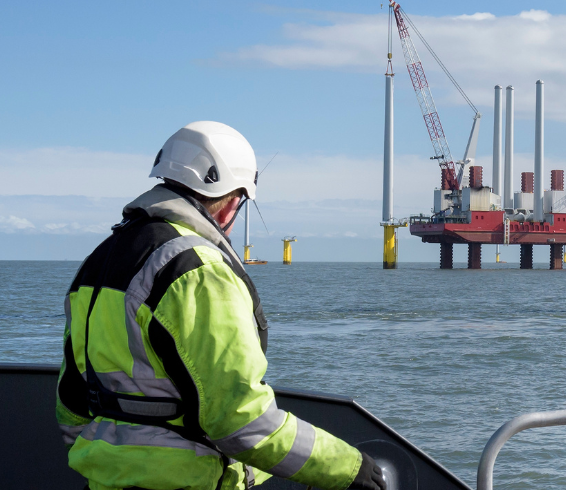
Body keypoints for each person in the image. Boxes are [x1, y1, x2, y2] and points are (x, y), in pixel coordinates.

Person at [55, 121, 387, 490]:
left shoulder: (98, 262)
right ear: (231, 204)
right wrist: (349, 468)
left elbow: (71, 402)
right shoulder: (198, 270)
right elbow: (239, 421)